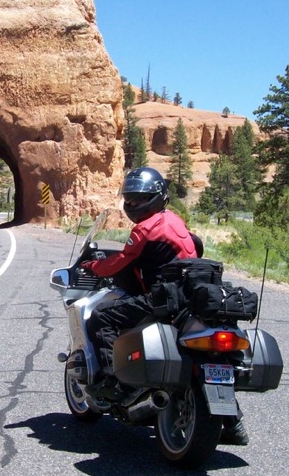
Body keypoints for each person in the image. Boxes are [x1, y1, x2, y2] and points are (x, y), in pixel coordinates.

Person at [81, 166, 248, 445]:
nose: (132, 204)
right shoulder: (174, 220)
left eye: (138, 198)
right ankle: (233, 426)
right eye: (130, 198)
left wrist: (93, 267)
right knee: (214, 362)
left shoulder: (146, 229)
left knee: (101, 318)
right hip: (192, 296)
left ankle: (114, 384)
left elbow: (119, 263)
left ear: (156, 197)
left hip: (165, 299)